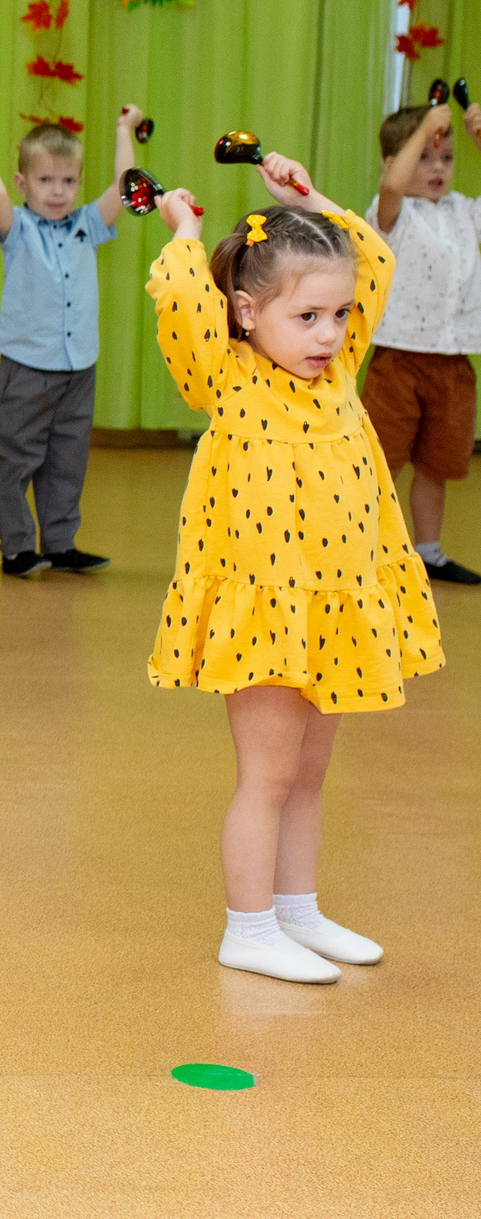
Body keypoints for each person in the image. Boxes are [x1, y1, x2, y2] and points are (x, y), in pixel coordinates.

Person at [146, 156, 443, 983]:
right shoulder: (229, 379)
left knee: (310, 772)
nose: (331, 333)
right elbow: (182, 302)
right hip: (267, 612)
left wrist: (306, 202)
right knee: (268, 774)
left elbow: (372, 258)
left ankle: (297, 911)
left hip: (335, 608)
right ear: (245, 312)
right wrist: (186, 232)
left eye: (339, 314)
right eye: (308, 315)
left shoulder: (342, 371)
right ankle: (247, 926)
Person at [0, 109, 140, 578]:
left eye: (67, 180)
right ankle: (17, 547)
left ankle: (61, 543)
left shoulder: (88, 224)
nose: (58, 191)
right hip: (28, 367)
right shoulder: (18, 231)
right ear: (24, 183)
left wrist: (122, 129)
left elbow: (127, 187)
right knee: (12, 456)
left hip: (78, 368)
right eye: (45, 180)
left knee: (67, 458)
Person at [365, 95, 481, 586]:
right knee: (380, 462)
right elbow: (393, 183)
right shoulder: (392, 213)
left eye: (448, 158)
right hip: (399, 359)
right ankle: (361, 550)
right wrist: (428, 125)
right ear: (398, 160)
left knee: (437, 464)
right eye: (426, 156)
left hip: (453, 362)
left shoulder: (463, 211)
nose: (438, 168)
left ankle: (428, 551)